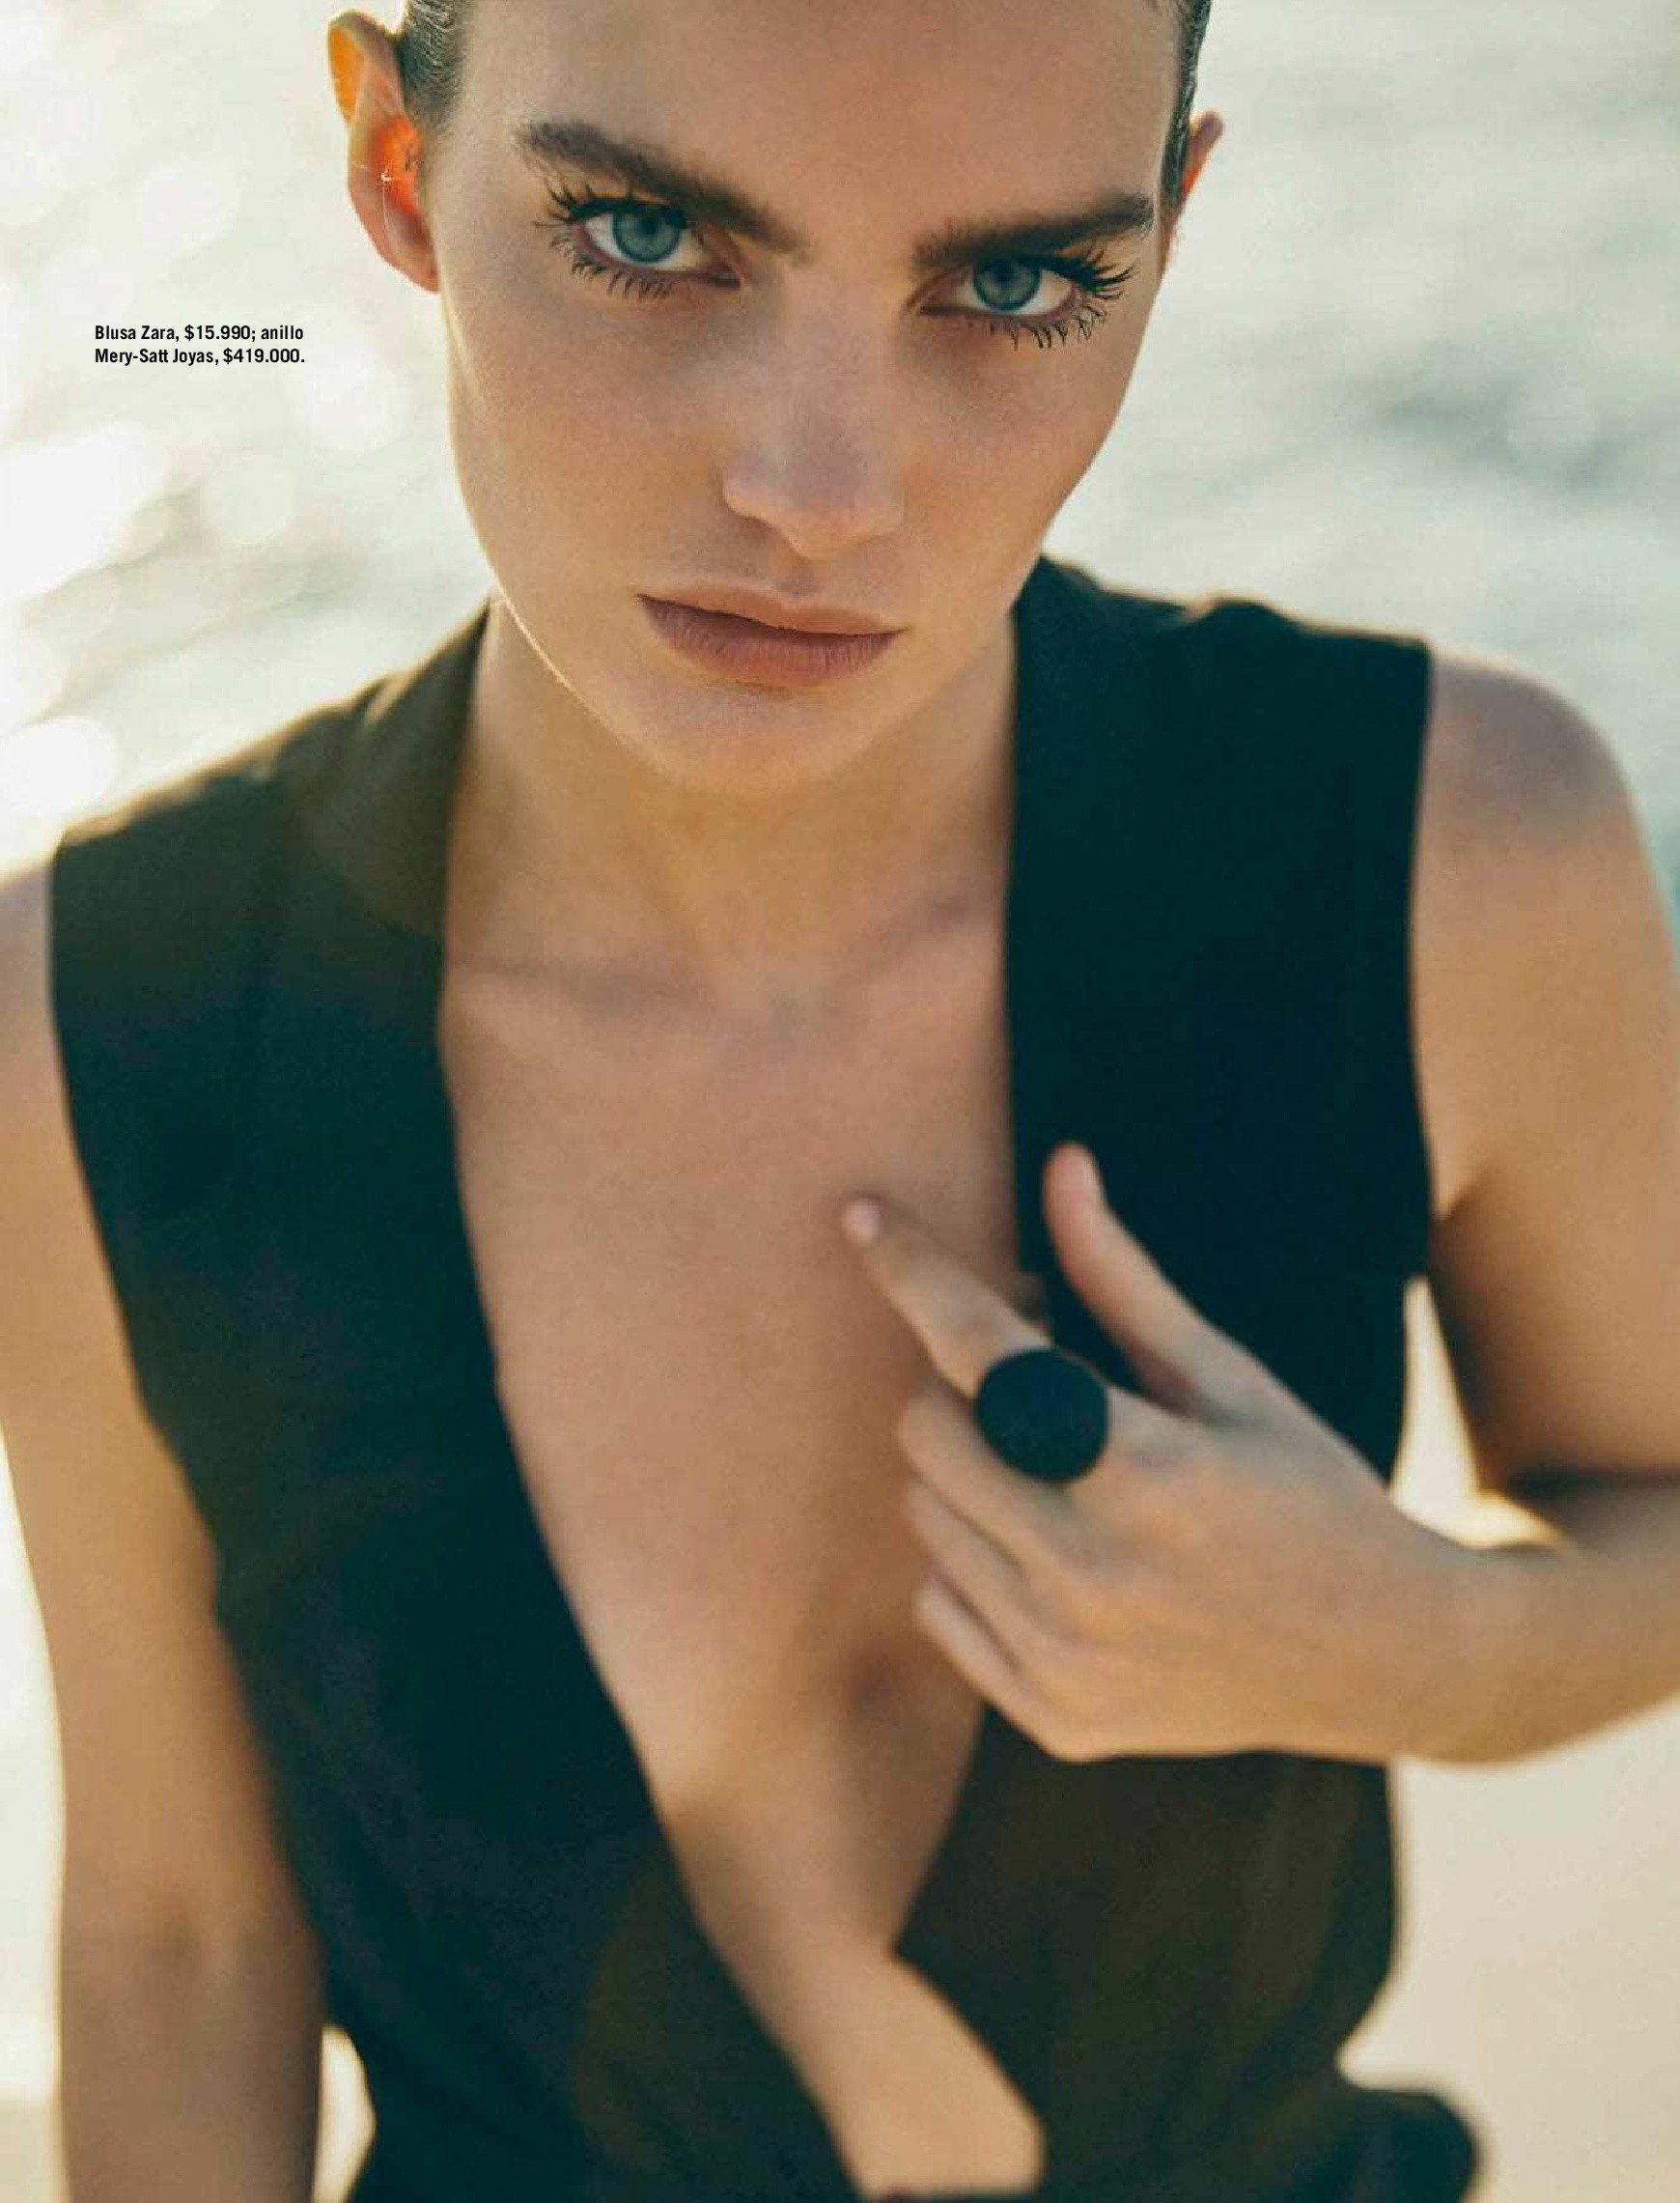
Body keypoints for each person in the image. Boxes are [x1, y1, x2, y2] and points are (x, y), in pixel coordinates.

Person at [5, 1, 1680, 2197]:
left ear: (1167, 238)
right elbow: (180, 1944)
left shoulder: (1457, 855)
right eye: (642, 235)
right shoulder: (100, 1013)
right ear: (398, 167)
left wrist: (1426, 1646)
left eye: (1016, 283)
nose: (818, 493)